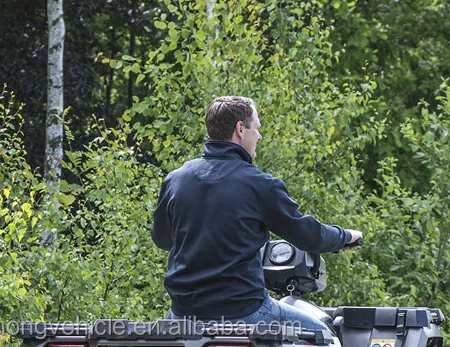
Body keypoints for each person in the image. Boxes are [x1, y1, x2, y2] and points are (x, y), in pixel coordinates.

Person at [151, 95, 362, 330]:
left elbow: (162, 239)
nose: (259, 136)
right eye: (257, 128)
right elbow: (308, 235)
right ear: (240, 129)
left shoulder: (176, 180)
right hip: (244, 311)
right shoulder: (259, 185)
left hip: (183, 314)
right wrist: (344, 237)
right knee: (326, 335)